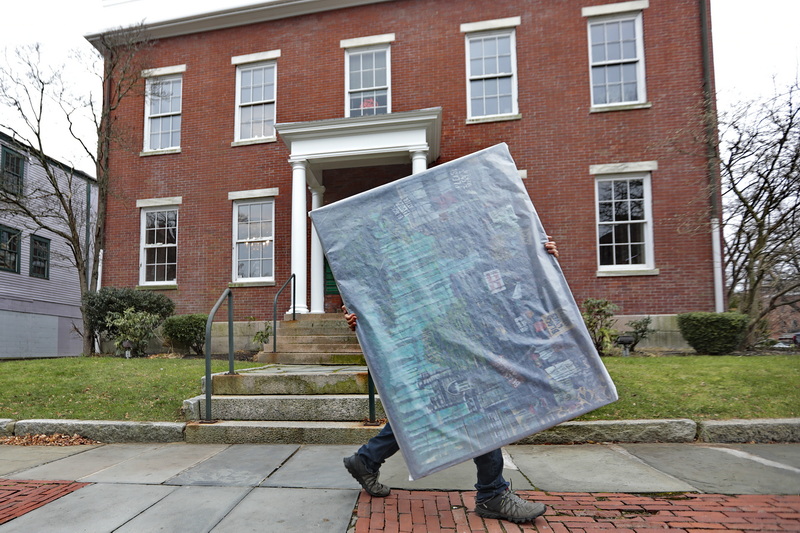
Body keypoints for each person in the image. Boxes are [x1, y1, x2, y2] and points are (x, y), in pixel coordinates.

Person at [343, 237, 560, 524]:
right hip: (438, 349)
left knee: (431, 412)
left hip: (468, 343)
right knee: (478, 411)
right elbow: (375, 308)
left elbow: (512, 281)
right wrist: (358, 321)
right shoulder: (400, 282)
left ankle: (367, 460)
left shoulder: (464, 259)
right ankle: (492, 493)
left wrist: (543, 259)